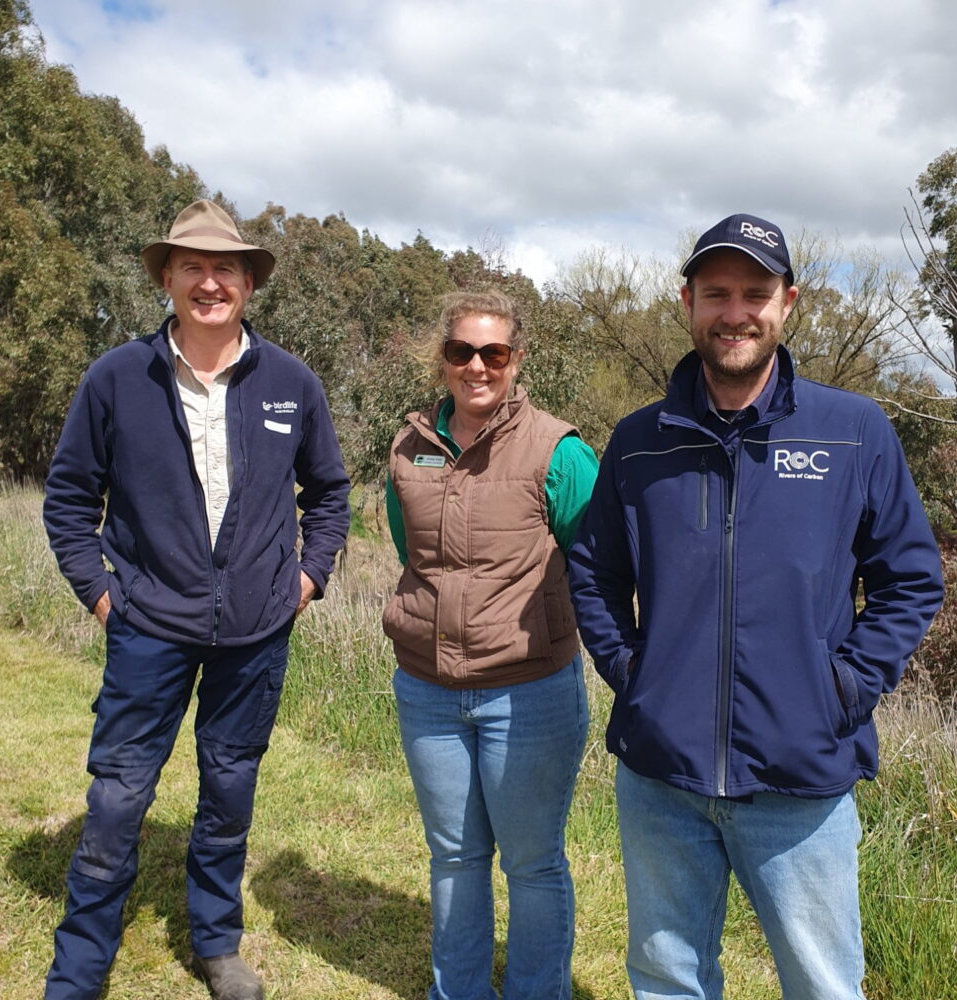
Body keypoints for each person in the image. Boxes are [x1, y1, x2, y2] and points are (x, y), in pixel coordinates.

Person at [568, 213, 944, 1000]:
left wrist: (843, 690)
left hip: (799, 780)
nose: (734, 312)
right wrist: (633, 677)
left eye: (754, 293)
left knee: (822, 985)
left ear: (787, 303)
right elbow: (595, 572)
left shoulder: (854, 431)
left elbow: (910, 579)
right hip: (660, 779)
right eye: (716, 294)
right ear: (687, 304)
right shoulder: (640, 440)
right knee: (667, 978)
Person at [42, 200, 351, 1000]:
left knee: (229, 789)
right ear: (168, 279)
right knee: (116, 799)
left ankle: (216, 943)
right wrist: (106, 600)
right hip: (147, 628)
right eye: (192, 268)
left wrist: (305, 580)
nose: (209, 282)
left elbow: (330, 494)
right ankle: (80, 965)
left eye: (225, 269)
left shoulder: (291, 382)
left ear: (248, 283)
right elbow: (70, 500)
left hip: (256, 633)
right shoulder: (117, 377)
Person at [383, 290, 598, 1000]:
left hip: (528, 693)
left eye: (493, 353)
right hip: (427, 692)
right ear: (443, 360)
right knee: (453, 858)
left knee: (533, 863)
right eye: (461, 351)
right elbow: (410, 551)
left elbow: (594, 564)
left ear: (516, 360)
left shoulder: (559, 451)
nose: (477, 366)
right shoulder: (410, 448)